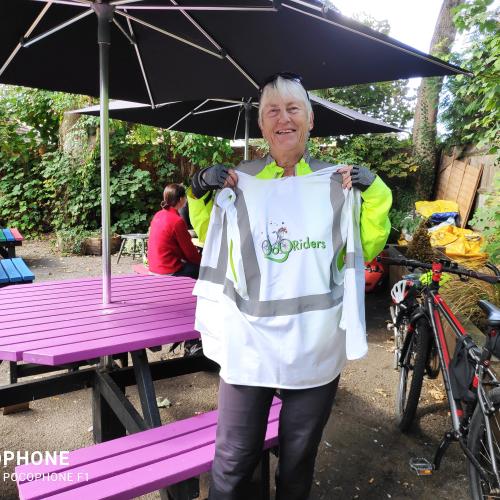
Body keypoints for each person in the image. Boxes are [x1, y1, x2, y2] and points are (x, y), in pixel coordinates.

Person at [187, 73, 392, 500]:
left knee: (298, 459)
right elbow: (210, 235)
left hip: (315, 344)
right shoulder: (240, 180)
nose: (284, 119)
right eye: (272, 111)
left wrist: (374, 193)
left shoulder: (338, 183)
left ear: (311, 120)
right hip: (249, 342)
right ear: (262, 125)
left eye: (293, 109)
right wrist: (199, 192)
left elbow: (366, 242)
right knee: (232, 459)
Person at [147, 183, 201, 279]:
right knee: (203, 270)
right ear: (181, 199)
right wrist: (202, 261)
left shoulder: (158, 215)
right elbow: (190, 252)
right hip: (167, 270)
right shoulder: (177, 221)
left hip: (153, 267)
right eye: (185, 197)